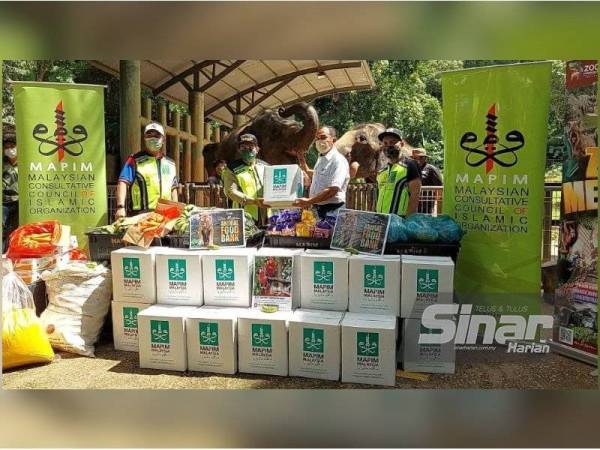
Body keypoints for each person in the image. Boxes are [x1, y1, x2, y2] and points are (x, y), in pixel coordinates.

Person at [115, 122, 178, 219]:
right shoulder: (134, 160)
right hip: (140, 216)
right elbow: (123, 182)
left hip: (165, 216)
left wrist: (176, 211)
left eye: (157, 135)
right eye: (149, 135)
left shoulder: (171, 164)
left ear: (163, 139)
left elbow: (173, 189)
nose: (153, 138)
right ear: (144, 138)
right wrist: (120, 207)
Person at [296, 126, 350, 219]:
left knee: (330, 233)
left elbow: (333, 190)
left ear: (333, 140)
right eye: (317, 138)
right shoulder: (321, 159)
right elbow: (314, 174)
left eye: (323, 137)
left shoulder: (338, 161)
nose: (319, 141)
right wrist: (301, 159)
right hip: (318, 209)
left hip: (333, 211)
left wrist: (309, 201)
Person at [222, 133, 269, 224]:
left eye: (251, 147)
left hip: (266, 214)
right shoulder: (232, 168)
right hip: (244, 215)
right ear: (239, 150)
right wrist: (253, 201)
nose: (247, 150)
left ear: (257, 149)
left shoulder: (265, 166)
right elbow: (231, 191)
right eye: (243, 147)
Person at [375, 127, 421, 216]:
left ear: (402, 144)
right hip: (381, 221)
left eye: (392, 142)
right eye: (385, 143)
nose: (388, 145)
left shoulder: (410, 165)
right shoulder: (382, 170)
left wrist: (407, 220)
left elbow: (415, 194)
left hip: (400, 221)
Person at [2, 130, 19, 243]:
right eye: (6, 147)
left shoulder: (25, 162)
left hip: (19, 202)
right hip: (4, 202)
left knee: (15, 231)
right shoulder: (2, 164)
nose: (10, 150)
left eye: (12, 146)